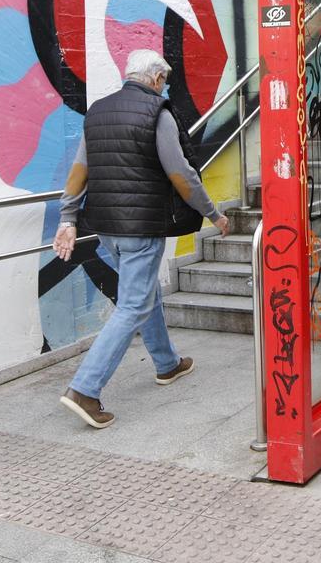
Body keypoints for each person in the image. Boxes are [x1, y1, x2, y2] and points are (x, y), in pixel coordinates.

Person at [53, 50, 231, 428]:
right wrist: (213, 213)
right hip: (141, 228)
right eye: (164, 81)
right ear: (156, 79)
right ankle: (85, 389)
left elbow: (80, 168)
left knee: (146, 293)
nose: (164, 88)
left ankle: (167, 364)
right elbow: (181, 173)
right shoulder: (157, 113)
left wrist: (67, 217)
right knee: (133, 305)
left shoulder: (98, 111)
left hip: (106, 228)